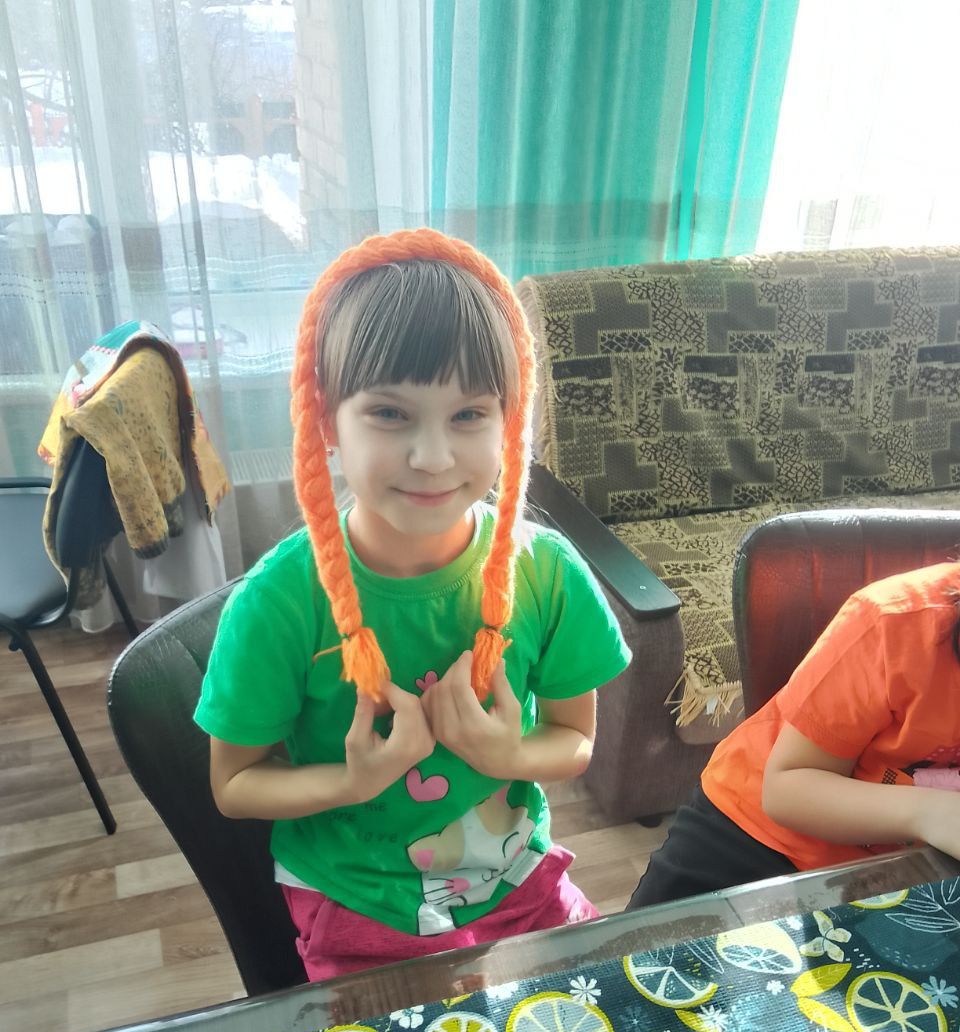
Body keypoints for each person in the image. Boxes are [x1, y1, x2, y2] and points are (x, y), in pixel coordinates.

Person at [195, 228, 631, 980]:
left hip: (519, 880)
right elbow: (234, 785)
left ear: (510, 420)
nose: (433, 458)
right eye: (390, 414)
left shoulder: (547, 574)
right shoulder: (278, 605)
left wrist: (505, 756)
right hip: (357, 899)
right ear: (326, 421)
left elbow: (574, 738)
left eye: (469, 415)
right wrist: (354, 780)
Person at [627, 562, 960, 910]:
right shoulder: (894, 622)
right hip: (755, 831)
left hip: (905, 867)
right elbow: (786, 789)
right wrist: (932, 813)